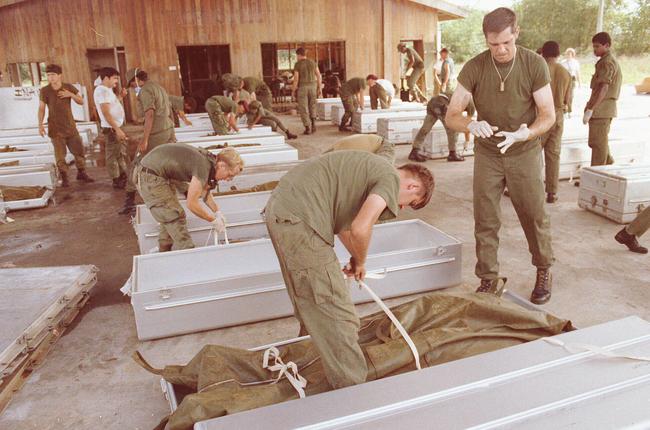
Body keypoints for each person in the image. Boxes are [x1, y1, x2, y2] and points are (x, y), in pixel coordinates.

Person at [265, 151, 434, 389]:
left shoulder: (366, 171)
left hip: (283, 212)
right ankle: (352, 391)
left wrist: (356, 259)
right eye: (408, 202)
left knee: (310, 297)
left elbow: (344, 229)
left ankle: (307, 356)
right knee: (336, 311)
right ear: (412, 185)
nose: (401, 207)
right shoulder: (390, 177)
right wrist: (362, 261)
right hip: (300, 220)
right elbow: (360, 228)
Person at [445, 7, 556, 304]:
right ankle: (488, 278)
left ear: (516, 33)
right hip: (488, 153)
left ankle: (544, 268)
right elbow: (452, 114)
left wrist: (526, 133)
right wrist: (471, 123)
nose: (501, 50)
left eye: (506, 42)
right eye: (493, 44)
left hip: (523, 150)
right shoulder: (474, 67)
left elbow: (548, 115)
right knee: (485, 217)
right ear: (486, 40)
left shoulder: (534, 65)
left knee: (533, 213)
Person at [136, 144, 243, 252]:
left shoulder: (211, 163)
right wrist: (213, 220)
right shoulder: (203, 167)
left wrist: (217, 212)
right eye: (230, 174)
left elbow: (205, 191)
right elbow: (191, 204)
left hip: (160, 173)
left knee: (168, 215)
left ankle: (163, 251)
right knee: (174, 215)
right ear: (221, 165)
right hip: (150, 174)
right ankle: (189, 254)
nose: (229, 179)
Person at [120, 68, 175, 215]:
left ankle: (129, 201)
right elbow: (168, 109)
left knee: (137, 163)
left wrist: (144, 140)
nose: (133, 88)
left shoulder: (145, 91)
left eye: (132, 84)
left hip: (156, 132)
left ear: (136, 80)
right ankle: (180, 192)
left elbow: (150, 114)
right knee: (170, 160)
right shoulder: (159, 87)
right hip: (168, 128)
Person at [38, 64, 94, 187]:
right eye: (48, 75)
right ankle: (64, 177)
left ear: (59, 75)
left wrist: (71, 95)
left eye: (53, 75)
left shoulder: (68, 87)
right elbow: (41, 108)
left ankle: (81, 172)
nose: (50, 77)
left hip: (70, 126)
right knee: (60, 155)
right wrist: (40, 125)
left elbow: (81, 101)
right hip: (55, 129)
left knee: (79, 151)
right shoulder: (45, 90)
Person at [583, 32, 622, 167]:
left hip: (602, 109)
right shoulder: (604, 61)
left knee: (598, 145)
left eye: (597, 46)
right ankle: (609, 168)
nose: (595, 50)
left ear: (607, 45)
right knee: (600, 142)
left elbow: (603, 89)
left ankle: (596, 177)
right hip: (602, 108)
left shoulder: (607, 62)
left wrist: (591, 109)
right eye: (594, 46)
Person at [540, 41, 571, 203]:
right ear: (558, 54)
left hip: (542, 114)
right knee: (553, 154)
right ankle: (552, 192)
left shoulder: (540, 69)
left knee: (530, 153)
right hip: (559, 114)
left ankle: (528, 189)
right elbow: (568, 99)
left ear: (543, 53)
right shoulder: (565, 72)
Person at [93, 67, 129, 189]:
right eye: (115, 78)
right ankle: (116, 179)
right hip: (112, 128)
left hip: (115, 126)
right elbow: (106, 113)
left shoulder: (106, 90)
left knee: (118, 153)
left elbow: (112, 105)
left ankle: (122, 176)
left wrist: (121, 96)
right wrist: (117, 129)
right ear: (106, 78)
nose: (117, 81)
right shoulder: (102, 91)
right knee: (113, 155)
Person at [411, 94, 473, 162]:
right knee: (452, 129)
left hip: (433, 102)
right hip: (442, 104)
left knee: (425, 128)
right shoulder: (471, 104)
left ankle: (414, 152)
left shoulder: (463, 96)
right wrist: (467, 141)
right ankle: (453, 154)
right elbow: (467, 124)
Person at [292, 47, 322, 135]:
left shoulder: (297, 64)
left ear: (299, 55)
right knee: (312, 106)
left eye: (296, 55)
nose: (296, 57)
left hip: (303, 87)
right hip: (313, 86)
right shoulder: (313, 62)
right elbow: (319, 76)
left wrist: (293, 91)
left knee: (303, 108)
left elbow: (296, 79)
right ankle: (313, 125)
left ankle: (307, 128)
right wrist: (319, 87)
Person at [325, 133, 395, 163]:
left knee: (383, 167)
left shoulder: (336, 153)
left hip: (382, 145)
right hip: (377, 141)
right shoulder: (336, 152)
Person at [561, 48, 581, 116]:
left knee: (570, 96)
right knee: (564, 95)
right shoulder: (563, 63)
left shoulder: (575, 63)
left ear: (573, 55)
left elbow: (578, 73)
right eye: (568, 54)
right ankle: (564, 110)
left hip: (572, 80)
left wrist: (579, 83)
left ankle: (569, 111)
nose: (569, 55)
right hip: (564, 80)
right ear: (566, 54)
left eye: (571, 54)